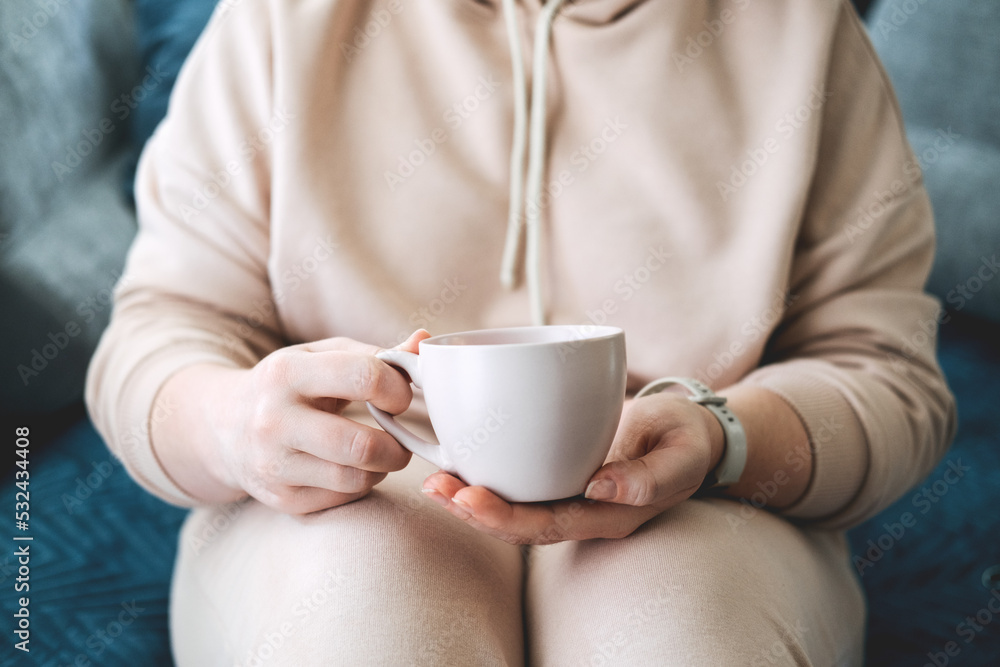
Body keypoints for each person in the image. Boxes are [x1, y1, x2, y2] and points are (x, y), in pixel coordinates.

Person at [86, 0, 957, 664]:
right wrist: (232, 424)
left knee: (678, 630)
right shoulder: (281, 21)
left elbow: (888, 371)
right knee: (360, 615)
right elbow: (163, 329)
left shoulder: (803, 29)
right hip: (340, 510)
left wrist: (729, 436)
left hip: (704, 500)